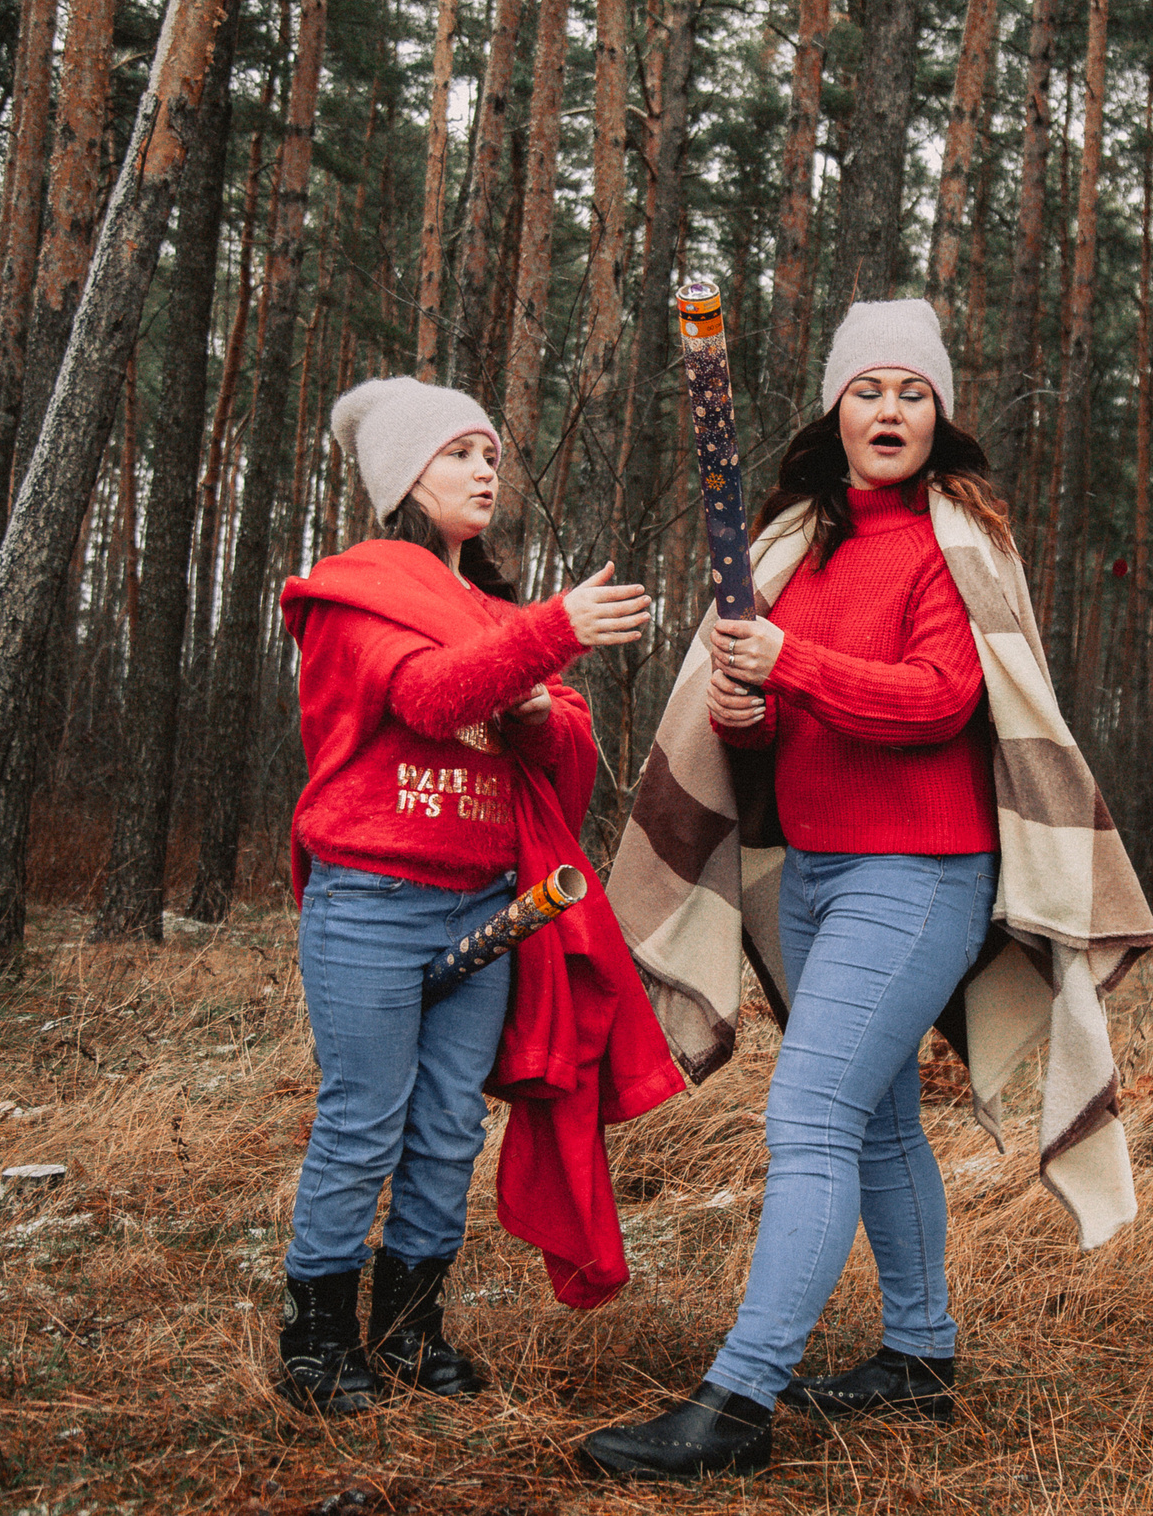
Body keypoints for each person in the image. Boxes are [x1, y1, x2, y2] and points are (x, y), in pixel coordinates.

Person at [583, 300, 1019, 1478]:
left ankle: (737, 1404)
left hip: (920, 871)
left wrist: (796, 666)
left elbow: (939, 699)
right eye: (869, 389)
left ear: (939, 417)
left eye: (913, 393)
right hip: (816, 873)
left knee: (811, 1118)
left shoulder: (955, 540)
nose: (890, 409)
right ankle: (920, 1356)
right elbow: (786, 720)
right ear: (836, 408)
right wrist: (750, 710)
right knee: (873, 1119)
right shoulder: (795, 542)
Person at [270, 376, 660, 1416]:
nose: (486, 471)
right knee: (364, 1120)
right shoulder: (351, 594)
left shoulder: (496, 611)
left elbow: (565, 754)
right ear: (403, 477)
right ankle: (315, 1341)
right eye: (458, 454)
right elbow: (429, 699)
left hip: (487, 905)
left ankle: (407, 1331)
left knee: (446, 1126)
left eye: (491, 454)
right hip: (371, 898)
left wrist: (533, 701)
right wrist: (551, 634)